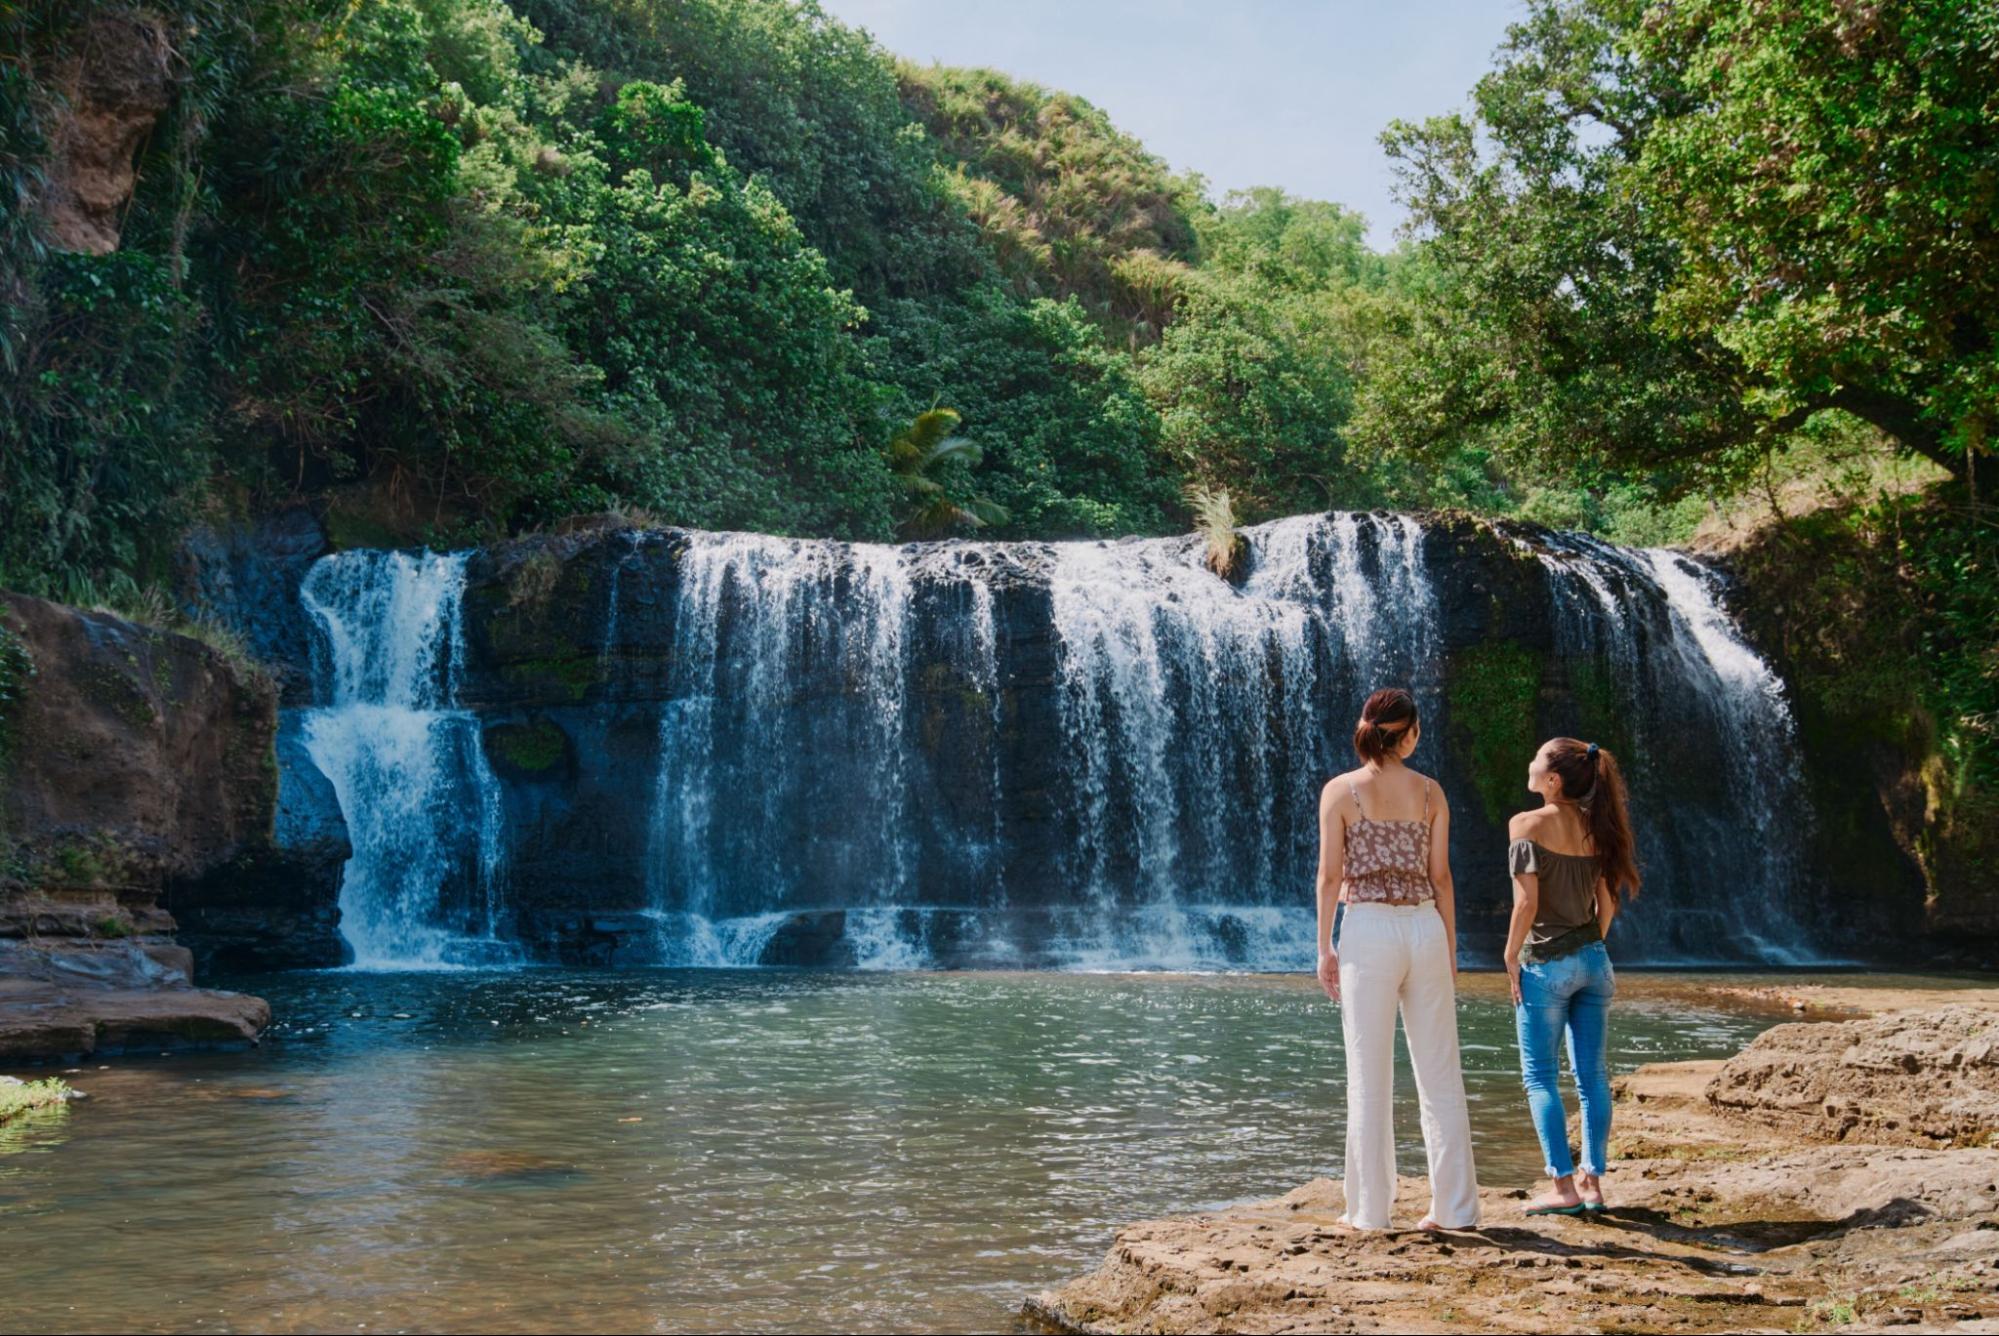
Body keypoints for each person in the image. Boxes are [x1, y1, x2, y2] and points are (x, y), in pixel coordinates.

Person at [1314, 687, 1479, 1231]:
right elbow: (1442, 878)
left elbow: (1330, 877)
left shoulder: (1342, 792)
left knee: (1368, 1074)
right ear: (1406, 734)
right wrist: (1450, 947)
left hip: (1368, 930)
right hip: (1425, 927)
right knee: (1440, 1073)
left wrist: (1324, 947)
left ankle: (1370, 1211)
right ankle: (1455, 1210)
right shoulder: (1432, 793)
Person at [1502, 737, 1641, 1215]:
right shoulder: (1597, 827)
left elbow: (1527, 903)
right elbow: (1608, 904)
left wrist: (1510, 955)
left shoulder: (1525, 824)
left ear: (1553, 780)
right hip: (1594, 963)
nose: (1529, 762)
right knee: (1593, 1078)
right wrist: (1590, 945)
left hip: (1546, 966)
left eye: (1536, 758)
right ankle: (1593, 1184)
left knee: (1540, 1078)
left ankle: (1562, 1188)